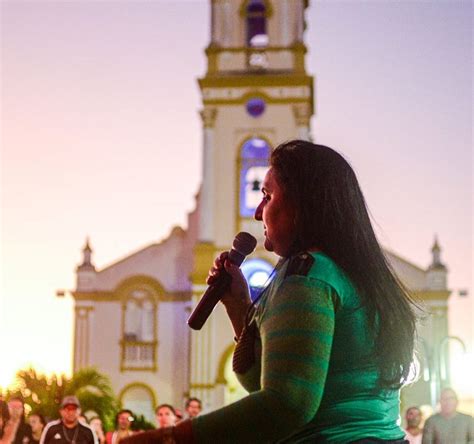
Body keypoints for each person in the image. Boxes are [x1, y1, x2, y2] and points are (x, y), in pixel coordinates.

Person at [122, 140, 418, 442]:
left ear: (302, 203)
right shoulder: (357, 276)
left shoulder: (306, 275)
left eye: (267, 196)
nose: (258, 212)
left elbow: (286, 404)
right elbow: (272, 381)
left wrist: (172, 438)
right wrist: (240, 308)